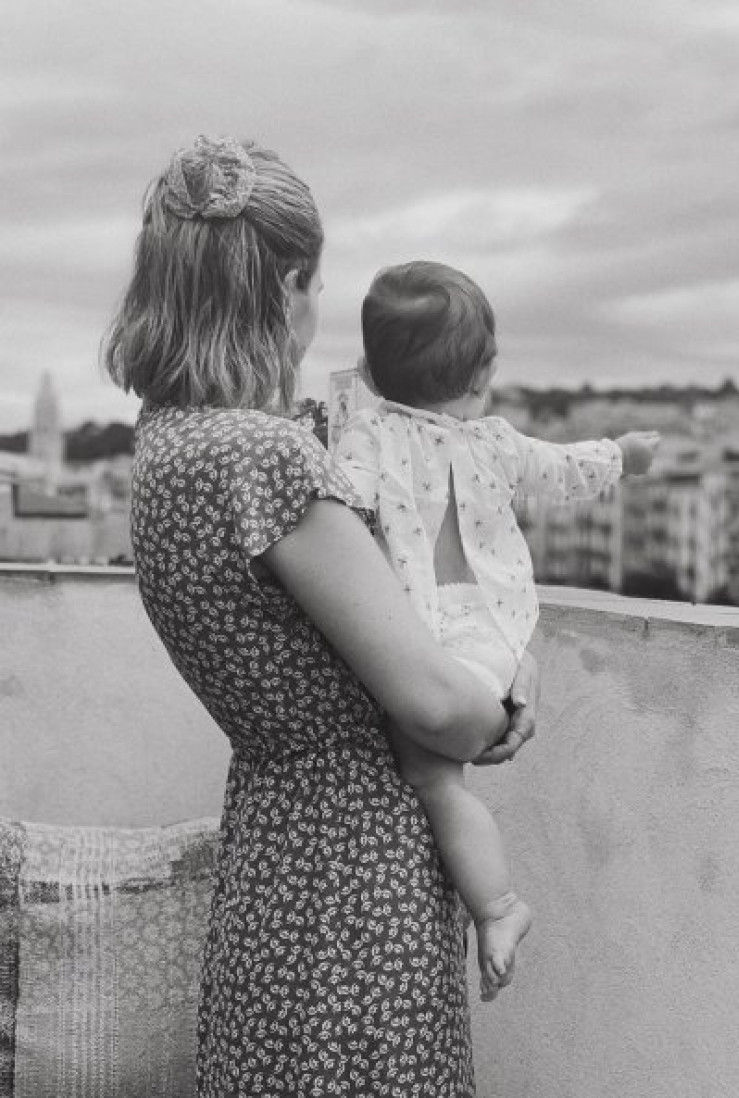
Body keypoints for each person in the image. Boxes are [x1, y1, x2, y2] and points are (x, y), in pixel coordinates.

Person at [102, 136, 538, 1098]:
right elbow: (432, 706)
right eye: (318, 283)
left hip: (271, 856)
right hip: (354, 877)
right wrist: (499, 703)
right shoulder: (268, 457)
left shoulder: (168, 445)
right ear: (288, 283)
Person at [334, 260, 660, 1001]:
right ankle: (497, 906)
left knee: (430, 777)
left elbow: (334, 509)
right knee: (434, 774)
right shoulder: (495, 442)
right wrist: (628, 457)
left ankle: (500, 905)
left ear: (367, 367)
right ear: (483, 376)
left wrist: (356, 401)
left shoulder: (366, 438)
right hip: (490, 640)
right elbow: (567, 468)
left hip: (416, 636)